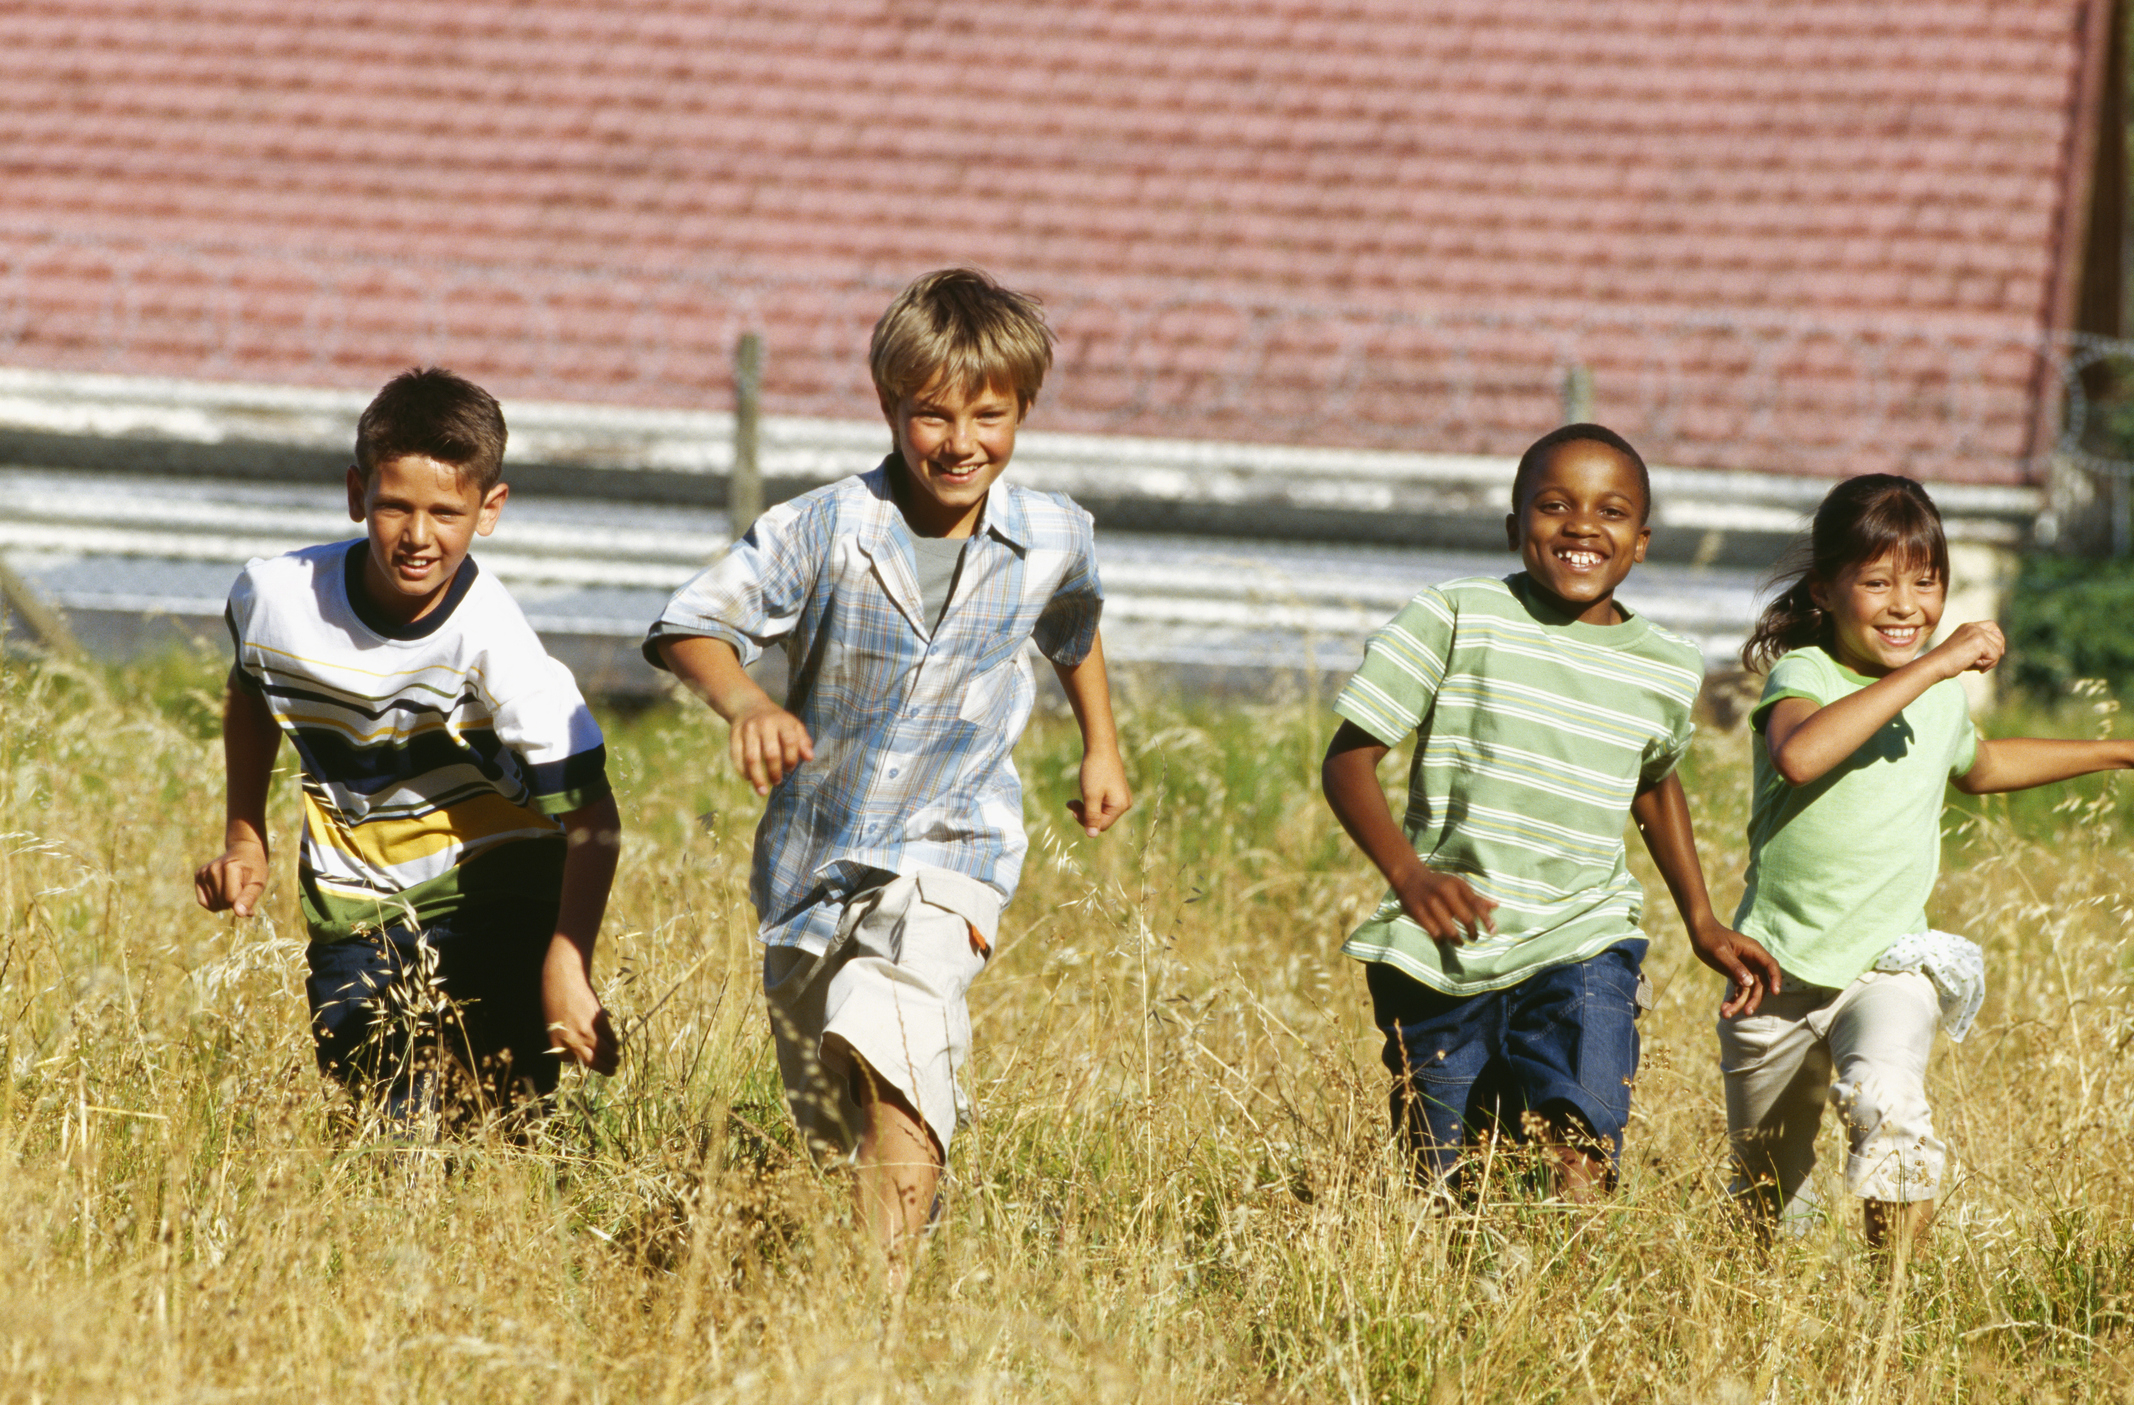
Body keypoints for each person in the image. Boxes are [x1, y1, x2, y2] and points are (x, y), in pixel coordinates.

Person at [646, 268, 1132, 1274]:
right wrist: (748, 701)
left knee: (900, 1031)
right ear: (889, 406)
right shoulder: (820, 528)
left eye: (987, 415)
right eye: (931, 414)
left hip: (954, 845)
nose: (960, 441)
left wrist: (1102, 743)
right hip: (813, 862)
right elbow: (687, 623)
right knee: (831, 1109)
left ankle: (880, 1309)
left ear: (1023, 411)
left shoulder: (1052, 536)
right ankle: (882, 1243)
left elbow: (1072, 629)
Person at [1321, 423, 1782, 1199]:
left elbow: (1654, 781)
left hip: (1585, 939)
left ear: (1639, 542)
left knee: (1580, 1143)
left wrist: (1701, 918)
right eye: (1554, 505)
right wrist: (1409, 875)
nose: (1581, 526)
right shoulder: (1456, 615)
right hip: (1446, 949)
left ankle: (1569, 1282)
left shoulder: (1664, 663)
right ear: (1514, 527)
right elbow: (1348, 758)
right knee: (1450, 1188)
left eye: (1610, 511)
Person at [194, 367, 620, 1130]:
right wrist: (243, 835)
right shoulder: (276, 598)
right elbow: (252, 692)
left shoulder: (500, 647)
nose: (418, 536)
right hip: (358, 903)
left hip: (504, 890)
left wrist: (567, 960)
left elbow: (593, 813)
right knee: (392, 1120)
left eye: (445, 512)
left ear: (490, 509)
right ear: (357, 493)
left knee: (507, 1122)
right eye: (395, 506)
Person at [1725, 473, 2133, 1251]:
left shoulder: (1937, 697)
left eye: (1926, 581)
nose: (1906, 604)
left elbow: (1980, 765)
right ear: (1824, 589)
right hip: (1772, 971)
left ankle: (1895, 1318)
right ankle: (1772, 1321)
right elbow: (1804, 755)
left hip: (1887, 964)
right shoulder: (1804, 675)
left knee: (1892, 1111)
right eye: (1877, 582)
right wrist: (1936, 666)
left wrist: (2118, 750)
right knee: (1769, 1191)